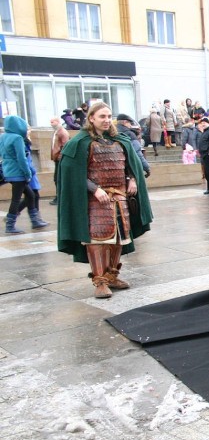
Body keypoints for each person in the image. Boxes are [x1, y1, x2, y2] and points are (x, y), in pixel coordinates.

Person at [57, 102, 153, 299]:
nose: (107, 120)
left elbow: (130, 164)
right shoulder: (80, 142)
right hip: (95, 201)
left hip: (119, 198)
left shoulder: (120, 140)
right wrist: (94, 189)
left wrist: (132, 178)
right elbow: (72, 173)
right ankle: (100, 281)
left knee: (118, 239)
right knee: (97, 240)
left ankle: (111, 275)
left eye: (109, 116)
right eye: (102, 116)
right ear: (91, 118)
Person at [0, 116, 44, 234]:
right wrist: (27, 173)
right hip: (18, 173)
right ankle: (10, 225)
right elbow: (21, 158)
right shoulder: (17, 138)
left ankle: (35, 221)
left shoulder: (3, 137)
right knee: (16, 199)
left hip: (9, 172)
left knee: (30, 195)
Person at [50, 116, 71, 205]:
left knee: (58, 179)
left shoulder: (62, 132)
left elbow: (66, 146)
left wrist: (60, 157)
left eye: (52, 122)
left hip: (60, 159)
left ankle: (59, 197)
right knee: (57, 179)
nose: (51, 124)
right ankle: (59, 196)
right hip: (57, 158)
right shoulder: (57, 132)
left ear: (58, 122)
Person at [197, 118, 209, 194]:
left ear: (208, 123)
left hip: (208, 155)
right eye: (202, 123)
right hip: (203, 155)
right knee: (207, 173)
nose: (203, 124)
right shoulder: (204, 132)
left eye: (204, 123)